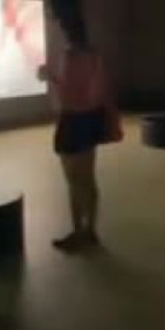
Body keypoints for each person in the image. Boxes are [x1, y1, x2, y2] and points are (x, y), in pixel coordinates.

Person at [39, 17, 120, 252]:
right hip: (90, 120)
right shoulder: (95, 55)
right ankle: (90, 230)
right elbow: (97, 91)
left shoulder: (70, 56)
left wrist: (49, 76)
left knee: (73, 180)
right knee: (87, 179)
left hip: (73, 120)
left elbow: (68, 94)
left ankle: (78, 231)